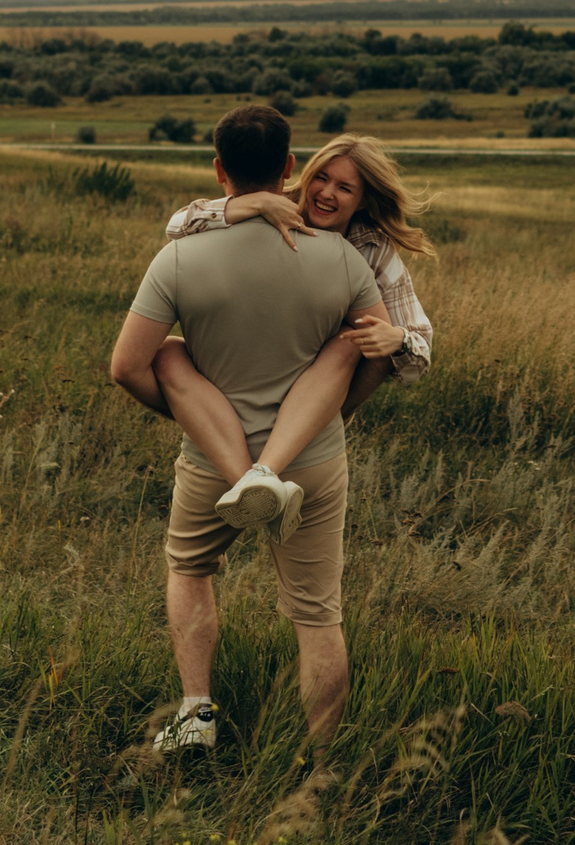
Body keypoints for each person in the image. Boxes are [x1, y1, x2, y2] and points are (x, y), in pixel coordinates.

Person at [107, 104, 389, 755]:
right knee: (317, 614)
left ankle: (197, 713)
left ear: (218, 169)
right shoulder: (344, 260)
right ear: (291, 168)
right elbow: (376, 350)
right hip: (312, 459)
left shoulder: (179, 257)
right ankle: (320, 768)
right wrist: (341, 414)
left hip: (213, 459)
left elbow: (125, 366)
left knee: (190, 568)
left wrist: (183, 406)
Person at [150, 134, 436, 534]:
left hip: (321, 394)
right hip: (246, 374)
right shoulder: (274, 206)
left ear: (364, 200)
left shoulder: (373, 249)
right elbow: (177, 226)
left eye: (344, 187)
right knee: (170, 353)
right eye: (320, 178)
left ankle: (272, 465)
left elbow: (419, 354)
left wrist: (399, 340)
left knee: (349, 345)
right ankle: (258, 481)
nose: (326, 193)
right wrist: (253, 203)